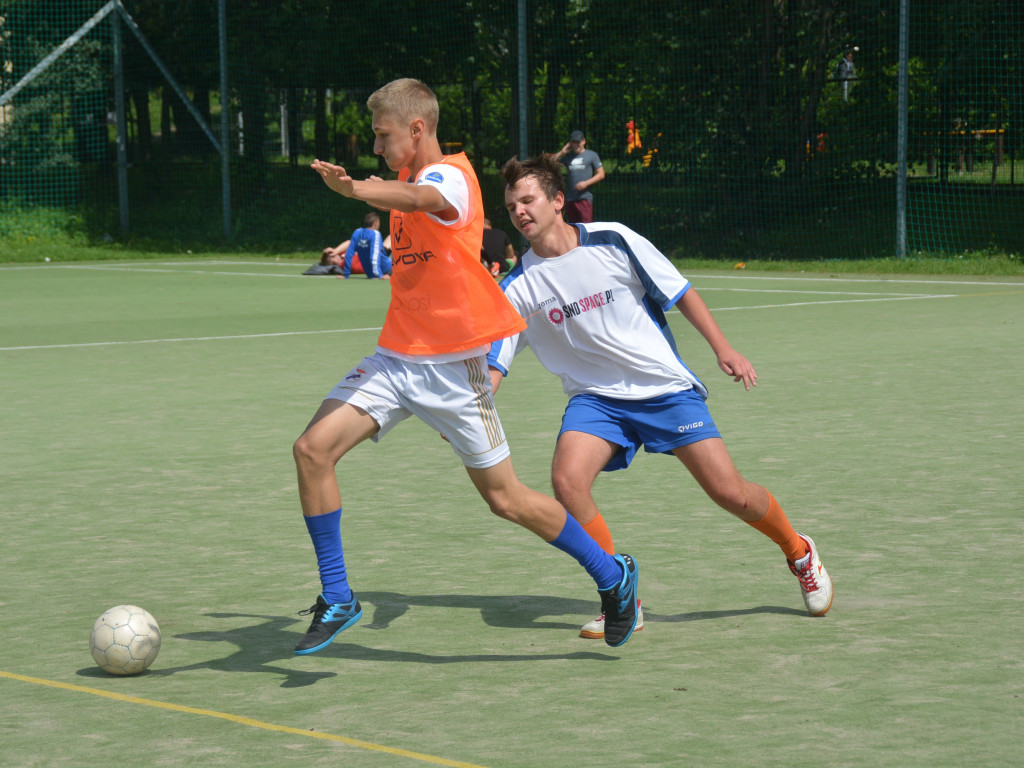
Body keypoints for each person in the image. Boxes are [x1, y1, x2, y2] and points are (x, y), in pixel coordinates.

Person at [297, 78, 639, 655]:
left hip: (454, 371)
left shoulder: (450, 176)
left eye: (383, 136)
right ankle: (338, 596)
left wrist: (357, 189)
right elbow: (401, 193)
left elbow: (422, 200)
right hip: (394, 359)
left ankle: (613, 576)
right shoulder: (404, 177)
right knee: (312, 450)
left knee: (505, 500)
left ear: (416, 128)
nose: (377, 147)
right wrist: (368, 187)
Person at [488, 154, 833, 639]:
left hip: (662, 388)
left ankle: (799, 552)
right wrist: (475, 407)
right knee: (568, 481)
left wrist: (723, 348)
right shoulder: (516, 285)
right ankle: (621, 597)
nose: (519, 211)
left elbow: (681, 291)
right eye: (510, 206)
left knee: (729, 493)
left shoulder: (613, 239)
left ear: (558, 201)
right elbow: (495, 360)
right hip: (597, 399)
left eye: (528, 199)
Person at [550, 129, 605, 224]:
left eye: (578, 142)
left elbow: (601, 174)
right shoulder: (568, 157)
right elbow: (550, 162)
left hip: (584, 198)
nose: (576, 145)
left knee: (586, 228)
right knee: (573, 229)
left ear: (584, 141)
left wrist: (586, 183)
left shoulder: (591, 155)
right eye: (574, 142)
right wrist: (562, 152)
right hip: (570, 199)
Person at [341, 211, 393, 279]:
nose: (379, 225)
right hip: (386, 271)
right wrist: (380, 275)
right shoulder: (375, 234)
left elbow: (348, 254)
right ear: (375, 223)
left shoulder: (357, 232)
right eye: (379, 223)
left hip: (371, 274)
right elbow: (374, 257)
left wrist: (346, 274)